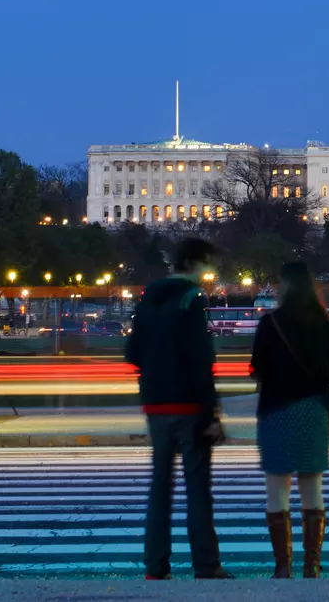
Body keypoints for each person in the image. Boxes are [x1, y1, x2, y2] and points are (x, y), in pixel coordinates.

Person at [125, 238, 231, 581]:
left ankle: (155, 566)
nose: (210, 273)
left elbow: (132, 352)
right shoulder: (192, 299)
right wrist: (211, 413)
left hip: (156, 404)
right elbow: (201, 360)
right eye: (208, 265)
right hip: (188, 404)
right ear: (196, 262)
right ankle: (206, 565)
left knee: (160, 489)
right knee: (197, 489)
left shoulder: (148, 298)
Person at [250, 262, 329, 579]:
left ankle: (282, 564)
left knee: (277, 489)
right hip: (312, 410)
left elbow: (257, 369)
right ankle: (312, 564)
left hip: (276, 409)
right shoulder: (321, 324)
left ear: (285, 286)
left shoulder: (270, 324)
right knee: (311, 489)